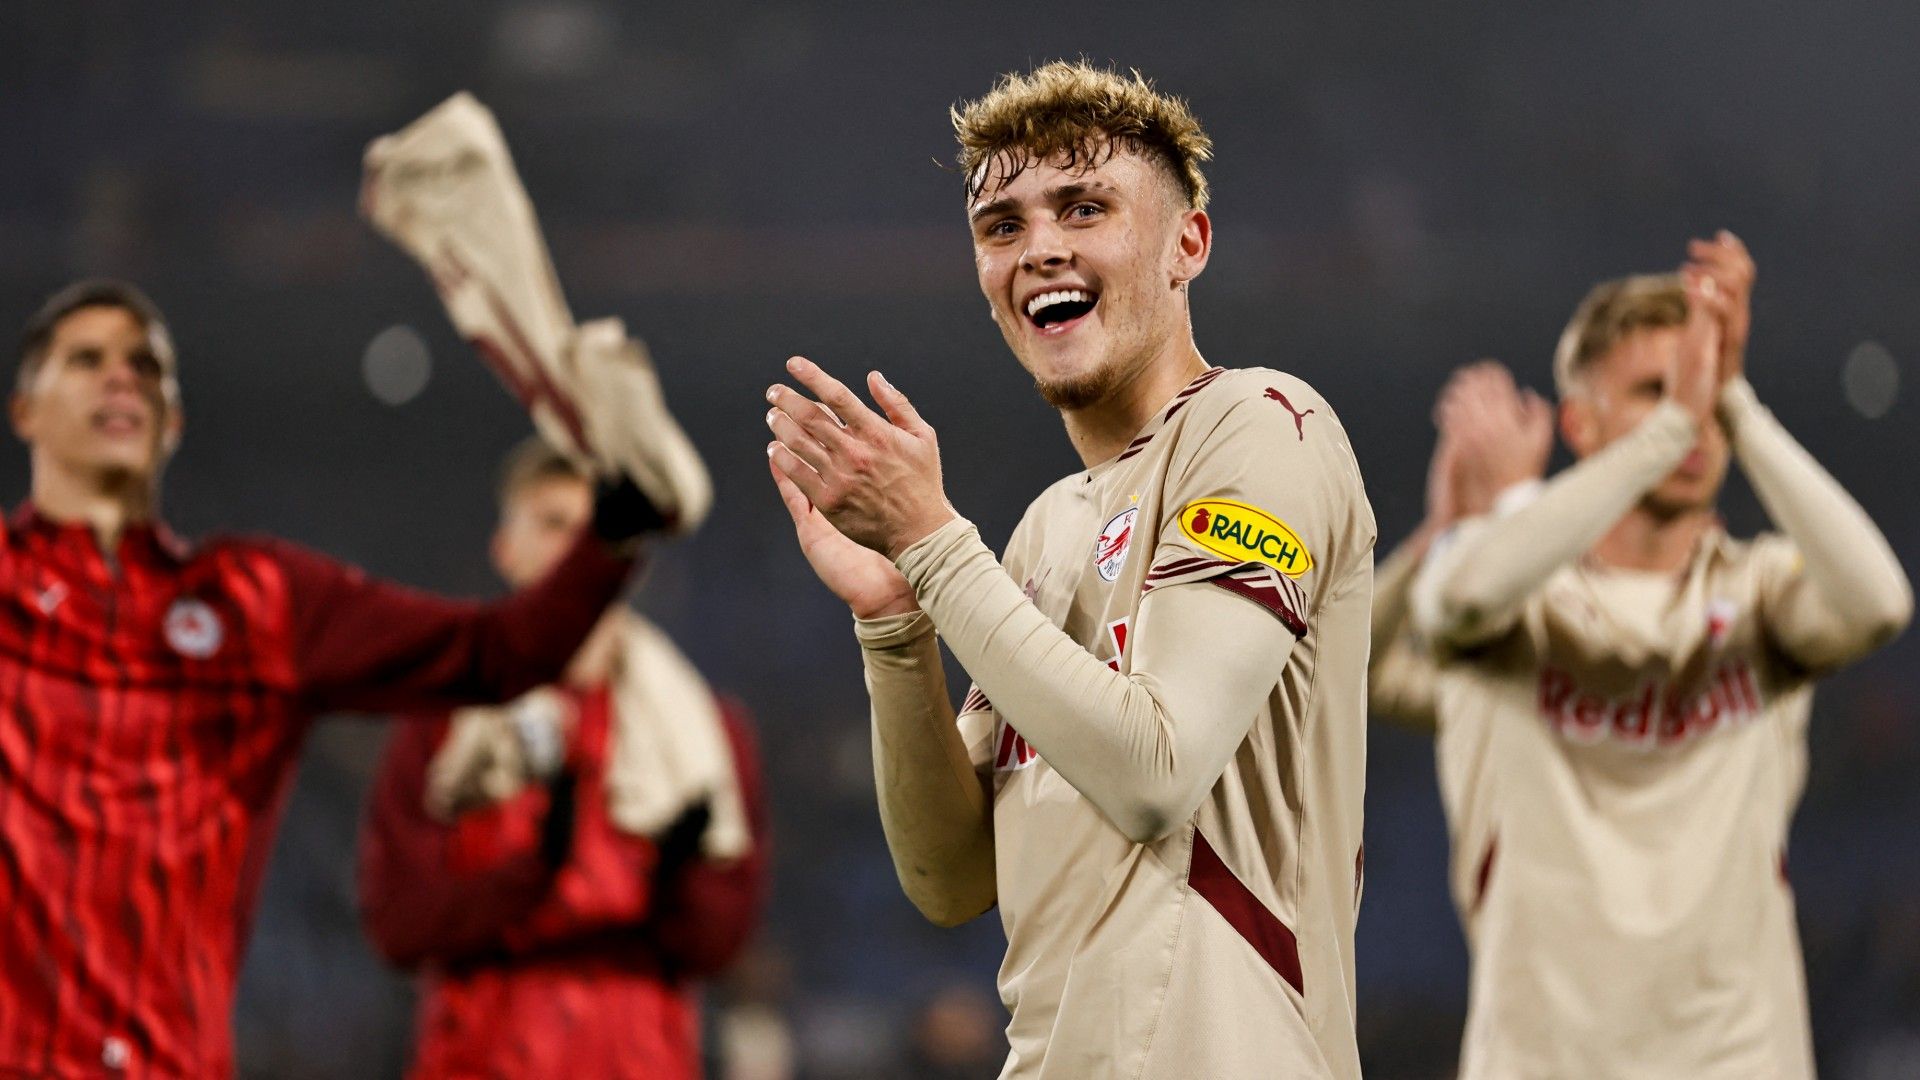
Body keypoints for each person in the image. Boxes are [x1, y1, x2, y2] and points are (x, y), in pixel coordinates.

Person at [766, 61, 1374, 1078]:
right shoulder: (1046, 532)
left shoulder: (1264, 427)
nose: (1040, 246)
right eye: (1002, 226)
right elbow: (950, 878)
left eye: (1084, 208)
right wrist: (897, 625)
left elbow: (1154, 773)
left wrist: (930, 540)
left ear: (1189, 243)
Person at [0, 279, 660, 1078]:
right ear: (25, 412)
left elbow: (491, 654)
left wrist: (614, 533)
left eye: (146, 365)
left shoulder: (260, 600)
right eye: (86, 360)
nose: (121, 377)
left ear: (172, 422)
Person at [1409, 234, 1913, 1077]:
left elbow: (1882, 602)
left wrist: (1737, 402)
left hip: (1738, 1058)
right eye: (1654, 390)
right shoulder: (1519, 598)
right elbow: (1454, 599)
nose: (1691, 413)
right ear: (1580, 420)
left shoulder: (1761, 591)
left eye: (1701, 388)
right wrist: (1667, 433)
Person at [357, 439, 769, 1080]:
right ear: (505, 546)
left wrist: (678, 874)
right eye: (552, 524)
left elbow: (718, 945)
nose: (577, 551)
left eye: (594, 531)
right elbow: (399, 925)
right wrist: (532, 873)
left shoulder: (707, 735)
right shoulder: (439, 721)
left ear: (630, 561)